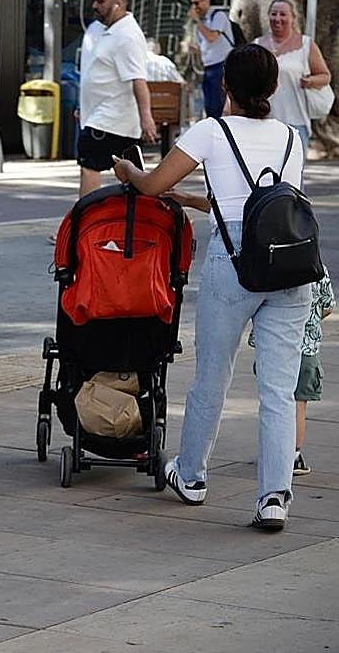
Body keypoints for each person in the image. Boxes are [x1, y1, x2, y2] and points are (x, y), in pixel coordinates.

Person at [111, 43, 310, 532]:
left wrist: (127, 172)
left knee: (212, 378)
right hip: (288, 265)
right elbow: (263, 206)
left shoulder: (211, 131)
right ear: (273, 88)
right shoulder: (290, 137)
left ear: (226, 86)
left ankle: (193, 475)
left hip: (234, 264)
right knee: (279, 392)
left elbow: (152, 185)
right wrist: (198, 201)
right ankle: (273, 498)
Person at [247, 267, 332, 476]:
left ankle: (271, 451)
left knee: (272, 401)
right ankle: (293, 456)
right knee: (298, 404)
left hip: (272, 346)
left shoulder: (268, 262)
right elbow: (328, 306)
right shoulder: (318, 268)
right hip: (306, 348)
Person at [76, 0, 158, 197]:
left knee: (90, 168)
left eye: (101, 1)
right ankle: (142, 217)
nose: (94, 5)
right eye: (95, 0)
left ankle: (83, 226)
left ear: (118, 4)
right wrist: (82, 105)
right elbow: (93, 72)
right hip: (100, 116)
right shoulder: (97, 29)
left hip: (112, 118)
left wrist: (146, 118)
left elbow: (138, 79)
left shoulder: (128, 36)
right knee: (133, 177)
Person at [255, 0, 333, 153]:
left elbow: (325, 76)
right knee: (264, 175)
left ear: (293, 18)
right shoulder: (257, 45)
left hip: (296, 123)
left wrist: (310, 81)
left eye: (283, 14)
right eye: (273, 14)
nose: (277, 18)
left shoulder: (306, 45)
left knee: (293, 176)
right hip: (262, 122)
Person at [188, 0, 234, 118]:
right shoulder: (201, 24)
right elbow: (204, 46)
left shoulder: (218, 16)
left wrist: (197, 21)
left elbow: (212, 37)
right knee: (209, 104)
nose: (194, 7)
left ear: (206, 1)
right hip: (208, 66)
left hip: (222, 64)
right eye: (191, 3)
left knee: (217, 103)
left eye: (197, 3)